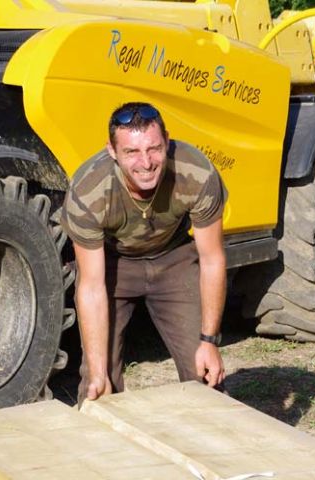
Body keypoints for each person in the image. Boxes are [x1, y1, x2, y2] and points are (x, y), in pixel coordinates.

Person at [61, 102, 228, 405]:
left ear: (166, 140)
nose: (146, 162)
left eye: (154, 149)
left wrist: (209, 341)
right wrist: (99, 372)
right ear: (112, 151)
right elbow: (91, 285)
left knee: (205, 372)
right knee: (98, 386)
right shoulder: (89, 191)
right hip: (114, 267)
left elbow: (212, 259)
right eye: (132, 152)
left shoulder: (196, 173)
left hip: (173, 260)